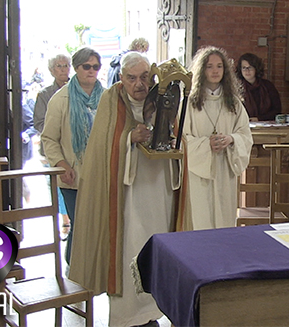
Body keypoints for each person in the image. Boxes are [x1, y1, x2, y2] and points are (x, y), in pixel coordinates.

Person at [69, 52, 181, 327]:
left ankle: (153, 311)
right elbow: (101, 145)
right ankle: (128, 316)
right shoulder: (112, 99)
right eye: (132, 78)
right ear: (122, 78)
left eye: (144, 77)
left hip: (157, 187)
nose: (139, 84)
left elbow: (176, 132)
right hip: (125, 195)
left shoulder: (161, 97)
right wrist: (129, 137)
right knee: (129, 246)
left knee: (156, 245)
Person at [41, 47, 104, 265]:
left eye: (95, 67)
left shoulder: (106, 98)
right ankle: (74, 269)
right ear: (76, 68)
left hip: (101, 173)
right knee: (80, 224)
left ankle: (94, 268)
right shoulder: (61, 99)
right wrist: (61, 164)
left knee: (98, 224)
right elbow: (48, 138)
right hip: (73, 175)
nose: (91, 71)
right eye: (86, 66)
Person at [184, 46, 253, 229]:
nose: (215, 71)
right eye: (209, 66)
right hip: (199, 172)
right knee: (200, 219)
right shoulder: (190, 103)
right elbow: (182, 139)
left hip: (224, 169)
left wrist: (231, 139)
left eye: (219, 66)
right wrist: (206, 145)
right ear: (201, 70)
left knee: (224, 218)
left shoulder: (234, 103)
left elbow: (245, 135)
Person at [34, 53, 71, 239]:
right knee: (58, 185)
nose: (63, 69)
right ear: (51, 70)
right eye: (59, 66)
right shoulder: (45, 94)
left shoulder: (77, 90)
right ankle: (64, 220)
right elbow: (39, 122)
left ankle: (71, 220)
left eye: (66, 65)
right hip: (54, 147)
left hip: (74, 148)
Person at [236, 53, 282, 121]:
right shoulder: (236, 88)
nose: (247, 71)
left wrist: (259, 119)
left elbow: (277, 110)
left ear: (256, 68)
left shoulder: (268, 86)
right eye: (244, 68)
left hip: (266, 125)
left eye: (250, 67)